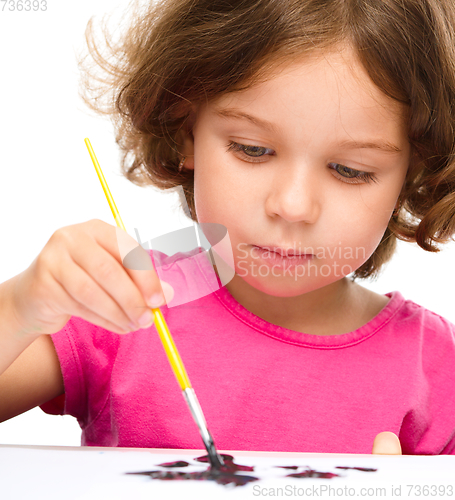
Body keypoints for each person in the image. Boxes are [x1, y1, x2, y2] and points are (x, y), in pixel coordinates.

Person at [1, 0, 455, 455]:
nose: (292, 206)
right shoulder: (122, 304)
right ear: (186, 130)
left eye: (350, 170)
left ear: (415, 175)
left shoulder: (436, 367)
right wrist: (22, 307)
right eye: (253, 150)